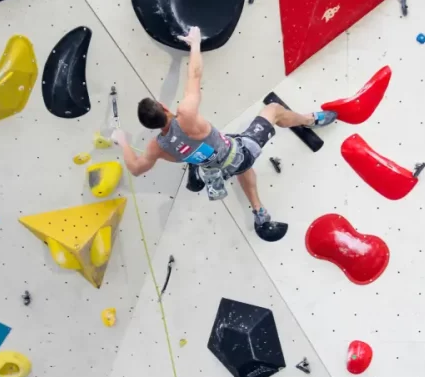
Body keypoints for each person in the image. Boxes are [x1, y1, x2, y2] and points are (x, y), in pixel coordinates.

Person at [112, 26, 337, 237]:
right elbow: (195, 75)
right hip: (240, 151)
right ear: (164, 107)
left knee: (237, 165)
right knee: (274, 110)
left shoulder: (157, 147)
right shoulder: (186, 114)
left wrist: (122, 142)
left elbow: (136, 169)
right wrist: (195, 44)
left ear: (151, 127)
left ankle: (259, 212)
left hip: (217, 166)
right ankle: (308, 120)